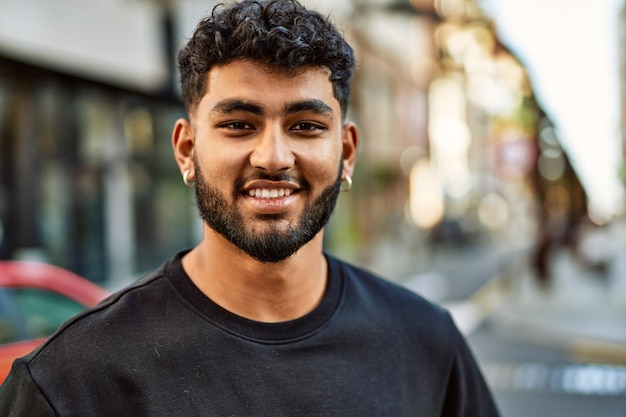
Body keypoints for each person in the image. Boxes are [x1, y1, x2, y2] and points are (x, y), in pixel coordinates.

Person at [0, 0, 501, 415]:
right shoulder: (69, 382)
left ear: (346, 152)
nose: (273, 157)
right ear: (186, 149)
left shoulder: (427, 345)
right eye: (239, 124)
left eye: (306, 125)